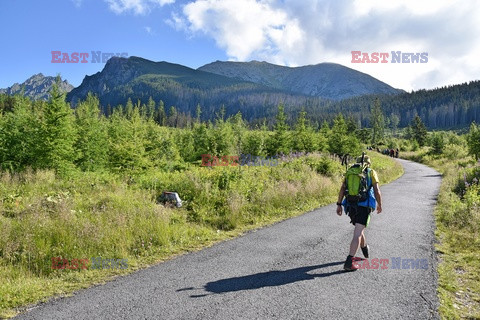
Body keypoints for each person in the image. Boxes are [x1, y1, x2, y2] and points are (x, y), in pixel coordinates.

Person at [336, 155, 383, 271]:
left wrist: (339, 204)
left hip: (351, 205)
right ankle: (349, 261)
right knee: (357, 233)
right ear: (369, 163)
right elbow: (377, 190)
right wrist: (379, 204)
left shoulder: (350, 171)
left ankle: (364, 249)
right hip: (364, 206)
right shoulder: (371, 172)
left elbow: (342, 189)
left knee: (359, 228)